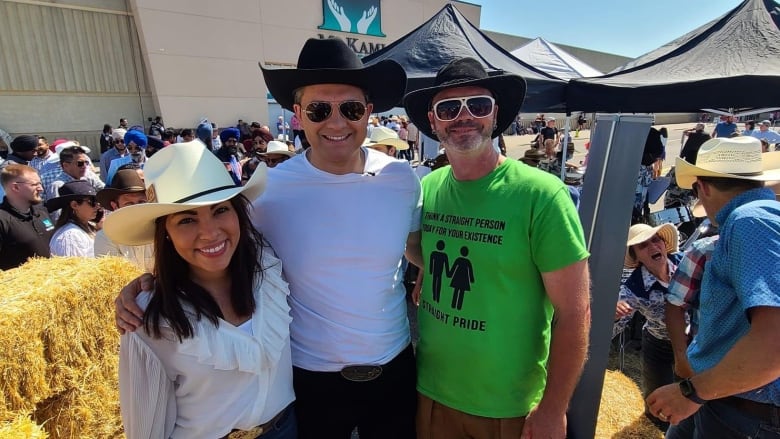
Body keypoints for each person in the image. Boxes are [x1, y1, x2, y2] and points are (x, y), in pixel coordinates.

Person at [116, 37, 418, 439]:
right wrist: (146, 286)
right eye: (318, 109)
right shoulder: (267, 192)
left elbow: (414, 245)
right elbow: (211, 247)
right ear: (297, 115)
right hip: (308, 380)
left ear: (368, 112)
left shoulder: (402, 179)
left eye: (350, 108)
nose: (336, 122)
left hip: (395, 369)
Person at [403, 57, 590, 439]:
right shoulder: (428, 188)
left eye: (479, 104)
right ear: (433, 120)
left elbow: (575, 311)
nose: (464, 116)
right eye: (449, 108)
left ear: (496, 114)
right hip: (432, 392)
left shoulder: (542, 194)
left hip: (509, 406)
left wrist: (554, 408)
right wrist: (426, 268)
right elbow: (429, 247)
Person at [103, 141, 296, 438]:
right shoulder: (148, 318)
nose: (209, 233)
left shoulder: (269, 270)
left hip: (285, 428)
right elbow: (146, 427)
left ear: (239, 215)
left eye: (220, 211)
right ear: (164, 233)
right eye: (187, 219)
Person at [648, 136, 780, 438]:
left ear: (703, 188)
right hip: (732, 399)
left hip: (743, 410)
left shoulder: (749, 221)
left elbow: (774, 342)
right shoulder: (758, 219)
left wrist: (693, 392)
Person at [613, 223, 682, 429]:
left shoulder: (687, 263)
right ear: (635, 258)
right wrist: (613, 316)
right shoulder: (633, 289)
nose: (653, 247)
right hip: (659, 346)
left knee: (696, 400)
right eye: (643, 246)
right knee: (657, 406)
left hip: (695, 344)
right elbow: (612, 331)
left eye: (656, 240)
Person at [93, 168, 153, 271]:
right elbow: (113, 277)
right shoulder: (105, 238)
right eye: (128, 204)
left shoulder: (162, 230)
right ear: (115, 206)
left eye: (141, 202)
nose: (136, 208)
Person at [0, 164, 54, 269]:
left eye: (40, 183)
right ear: (15, 187)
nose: (41, 189)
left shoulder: (41, 211)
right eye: (35, 184)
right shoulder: (3, 220)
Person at [46, 180, 102, 257]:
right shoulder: (70, 236)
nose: (98, 206)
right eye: (92, 201)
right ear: (74, 205)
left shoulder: (88, 227)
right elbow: (72, 268)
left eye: (97, 200)